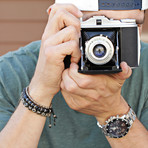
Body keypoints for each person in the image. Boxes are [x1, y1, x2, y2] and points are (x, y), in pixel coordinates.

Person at [0, 0, 148, 147]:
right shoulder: (9, 73)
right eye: (98, 24)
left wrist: (112, 110)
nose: (107, 41)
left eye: (129, 25)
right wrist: (40, 90)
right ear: (57, 18)